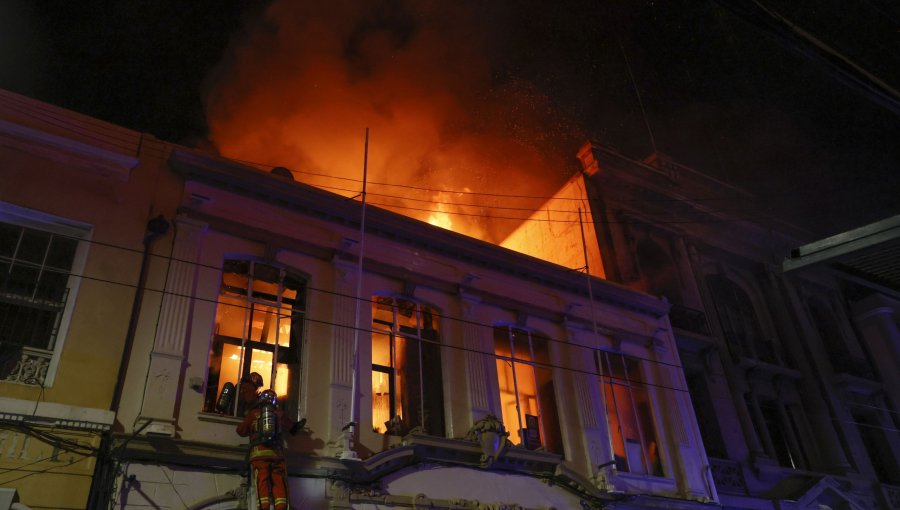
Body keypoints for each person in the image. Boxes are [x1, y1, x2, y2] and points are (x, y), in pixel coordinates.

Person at [236, 374, 295, 510]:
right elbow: (290, 427)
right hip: (277, 455)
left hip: (259, 454)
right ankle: (281, 506)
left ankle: (264, 506)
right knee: (278, 480)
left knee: (262, 480)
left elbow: (241, 431)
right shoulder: (279, 414)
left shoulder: (253, 413)